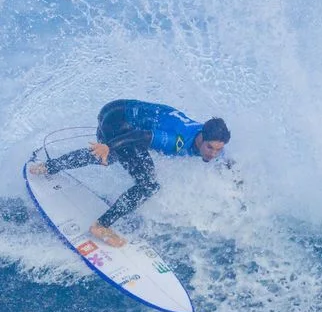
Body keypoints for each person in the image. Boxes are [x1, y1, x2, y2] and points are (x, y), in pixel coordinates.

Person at [29, 99, 230, 247]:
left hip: (120, 112)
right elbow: (138, 136)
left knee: (112, 157)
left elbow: (223, 159)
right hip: (117, 120)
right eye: (210, 148)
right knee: (148, 184)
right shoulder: (175, 140)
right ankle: (101, 226)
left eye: (218, 149)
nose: (213, 154)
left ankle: (48, 167)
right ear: (201, 137)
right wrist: (109, 145)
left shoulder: (213, 143)